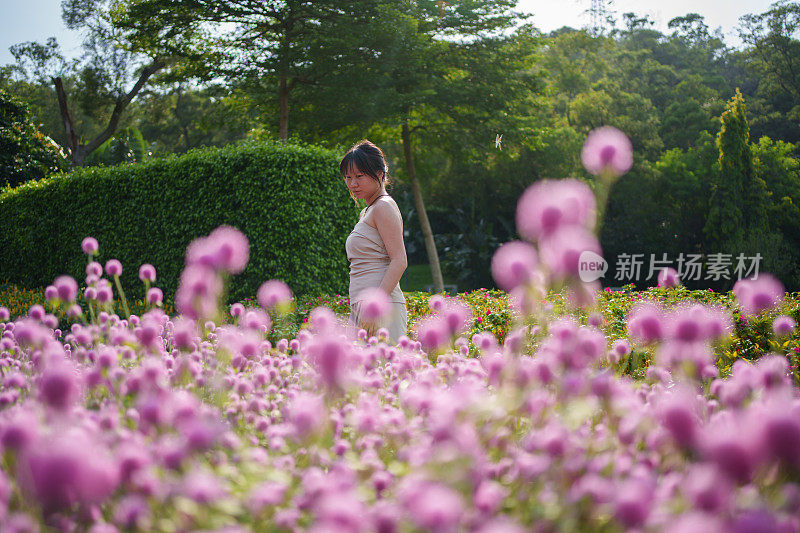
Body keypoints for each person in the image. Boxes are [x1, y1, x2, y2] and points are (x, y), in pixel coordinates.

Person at [340, 140, 408, 343]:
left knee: (385, 372)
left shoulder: (383, 207)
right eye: (348, 177)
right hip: (364, 306)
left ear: (379, 174)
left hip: (380, 308)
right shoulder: (368, 210)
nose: (353, 184)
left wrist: (374, 308)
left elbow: (399, 260)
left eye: (359, 176)